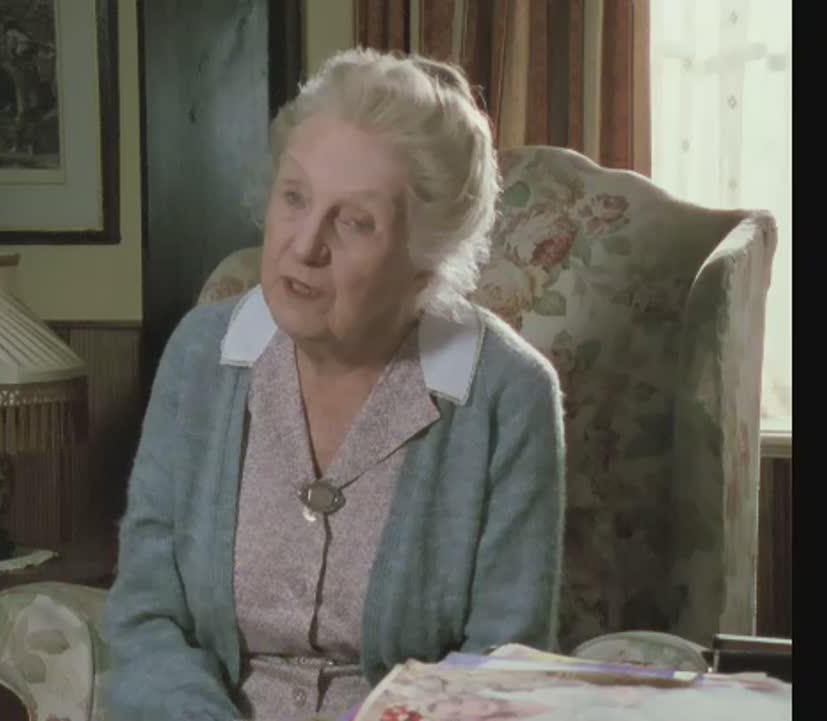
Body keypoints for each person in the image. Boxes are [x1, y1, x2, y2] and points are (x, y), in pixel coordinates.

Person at [103, 48, 566, 721]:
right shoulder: (200, 357)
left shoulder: (506, 395)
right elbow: (146, 616)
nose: (304, 245)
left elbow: (504, 665)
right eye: (295, 198)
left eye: (355, 222)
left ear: (424, 263)